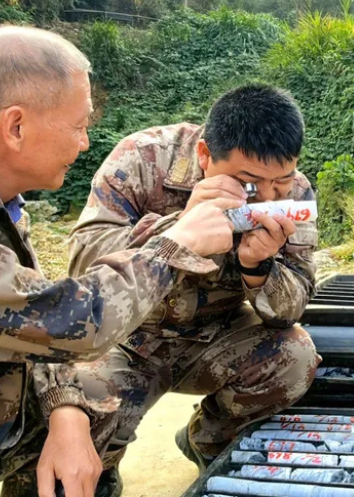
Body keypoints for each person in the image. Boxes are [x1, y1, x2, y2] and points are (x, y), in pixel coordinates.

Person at [0, 26, 239, 497]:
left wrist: (65, 411)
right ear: (16, 126)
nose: (86, 142)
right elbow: (69, 321)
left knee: (89, 407)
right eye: (78, 125)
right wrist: (174, 244)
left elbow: (25, 326)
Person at [67, 83, 322, 491]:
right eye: (250, 184)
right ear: (205, 155)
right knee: (73, 407)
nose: (268, 197)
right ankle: (103, 466)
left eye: (283, 181)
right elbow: (83, 267)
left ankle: (209, 441)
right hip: (128, 338)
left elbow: (290, 309)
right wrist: (179, 230)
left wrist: (258, 268)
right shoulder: (142, 157)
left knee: (294, 354)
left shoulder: (296, 193)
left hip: (214, 336)